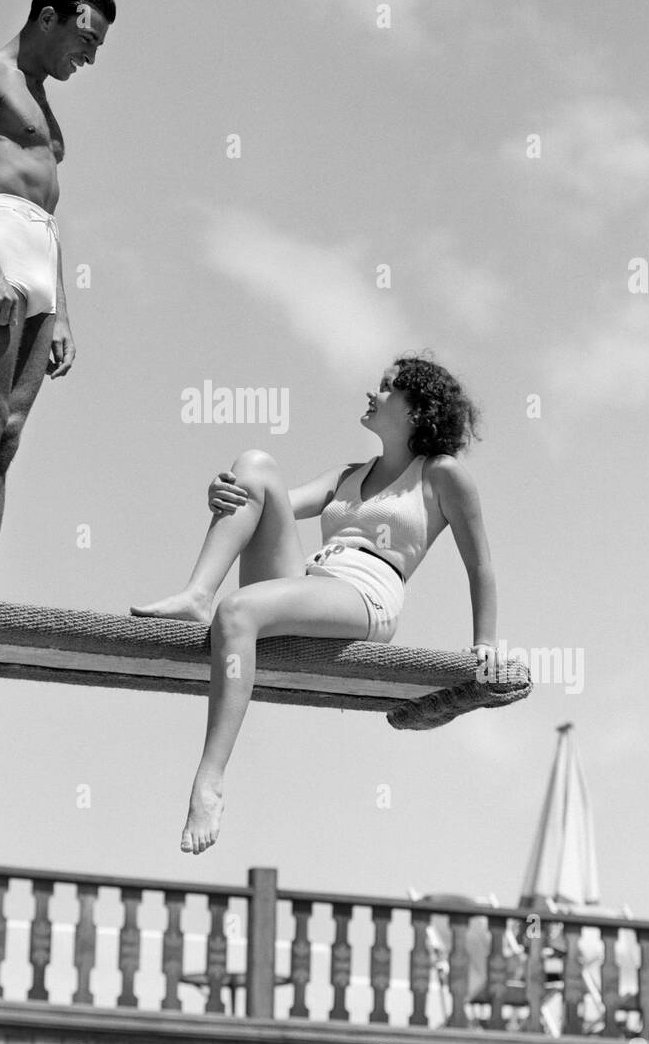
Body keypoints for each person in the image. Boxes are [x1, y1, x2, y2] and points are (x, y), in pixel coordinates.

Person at [132, 355, 497, 855]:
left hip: (366, 596)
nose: (373, 391)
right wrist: (224, 492)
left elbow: (480, 566)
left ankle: (209, 781)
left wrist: (484, 645)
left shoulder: (441, 475)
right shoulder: (349, 474)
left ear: (416, 411)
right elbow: (263, 499)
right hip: (310, 580)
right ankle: (198, 594)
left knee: (237, 612)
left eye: (388, 388)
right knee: (255, 466)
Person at [0, 0, 115, 597]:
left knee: (8, 436)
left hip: (39, 255)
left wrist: (62, 310)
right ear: (47, 18)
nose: (89, 56)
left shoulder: (45, 104)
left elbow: (50, 215)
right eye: (85, 39)